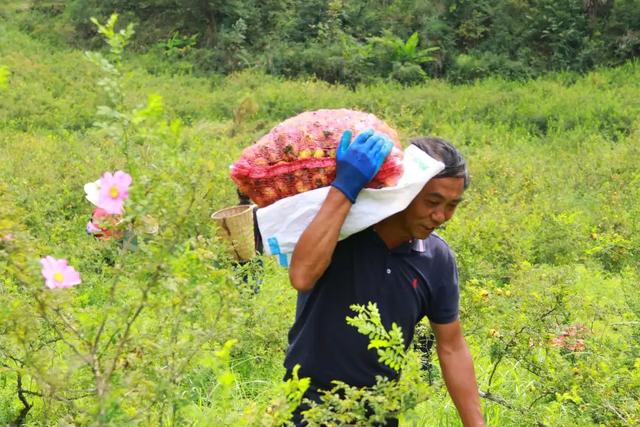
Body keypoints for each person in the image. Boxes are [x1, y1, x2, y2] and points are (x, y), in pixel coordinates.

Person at [285, 129, 484, 426]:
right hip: (309, 405)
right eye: (432, 201)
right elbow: (301, 276)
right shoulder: (344, 232)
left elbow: (452, 346)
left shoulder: (437, 260)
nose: (441, 216)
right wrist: (345, 186)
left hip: (380, 410)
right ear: (408, 190)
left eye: (452, 205)